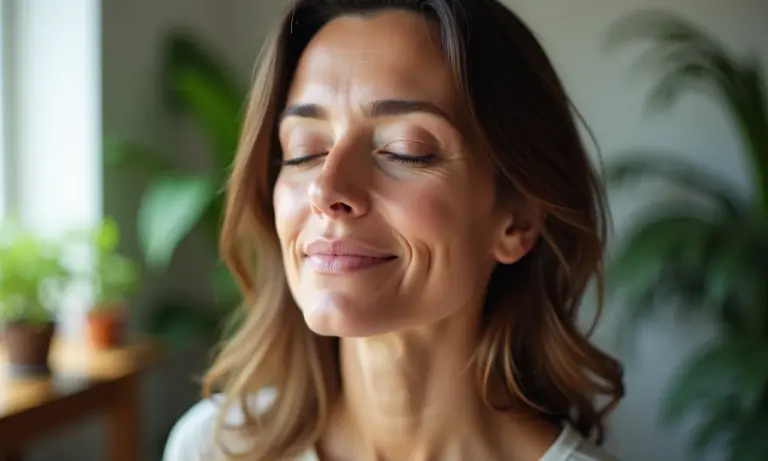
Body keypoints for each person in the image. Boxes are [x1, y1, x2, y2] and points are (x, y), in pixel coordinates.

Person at [163, 0, 625, 460]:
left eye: (406, 150)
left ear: (516, 220)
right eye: (304, 150)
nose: (327, 190)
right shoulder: (211, 449)